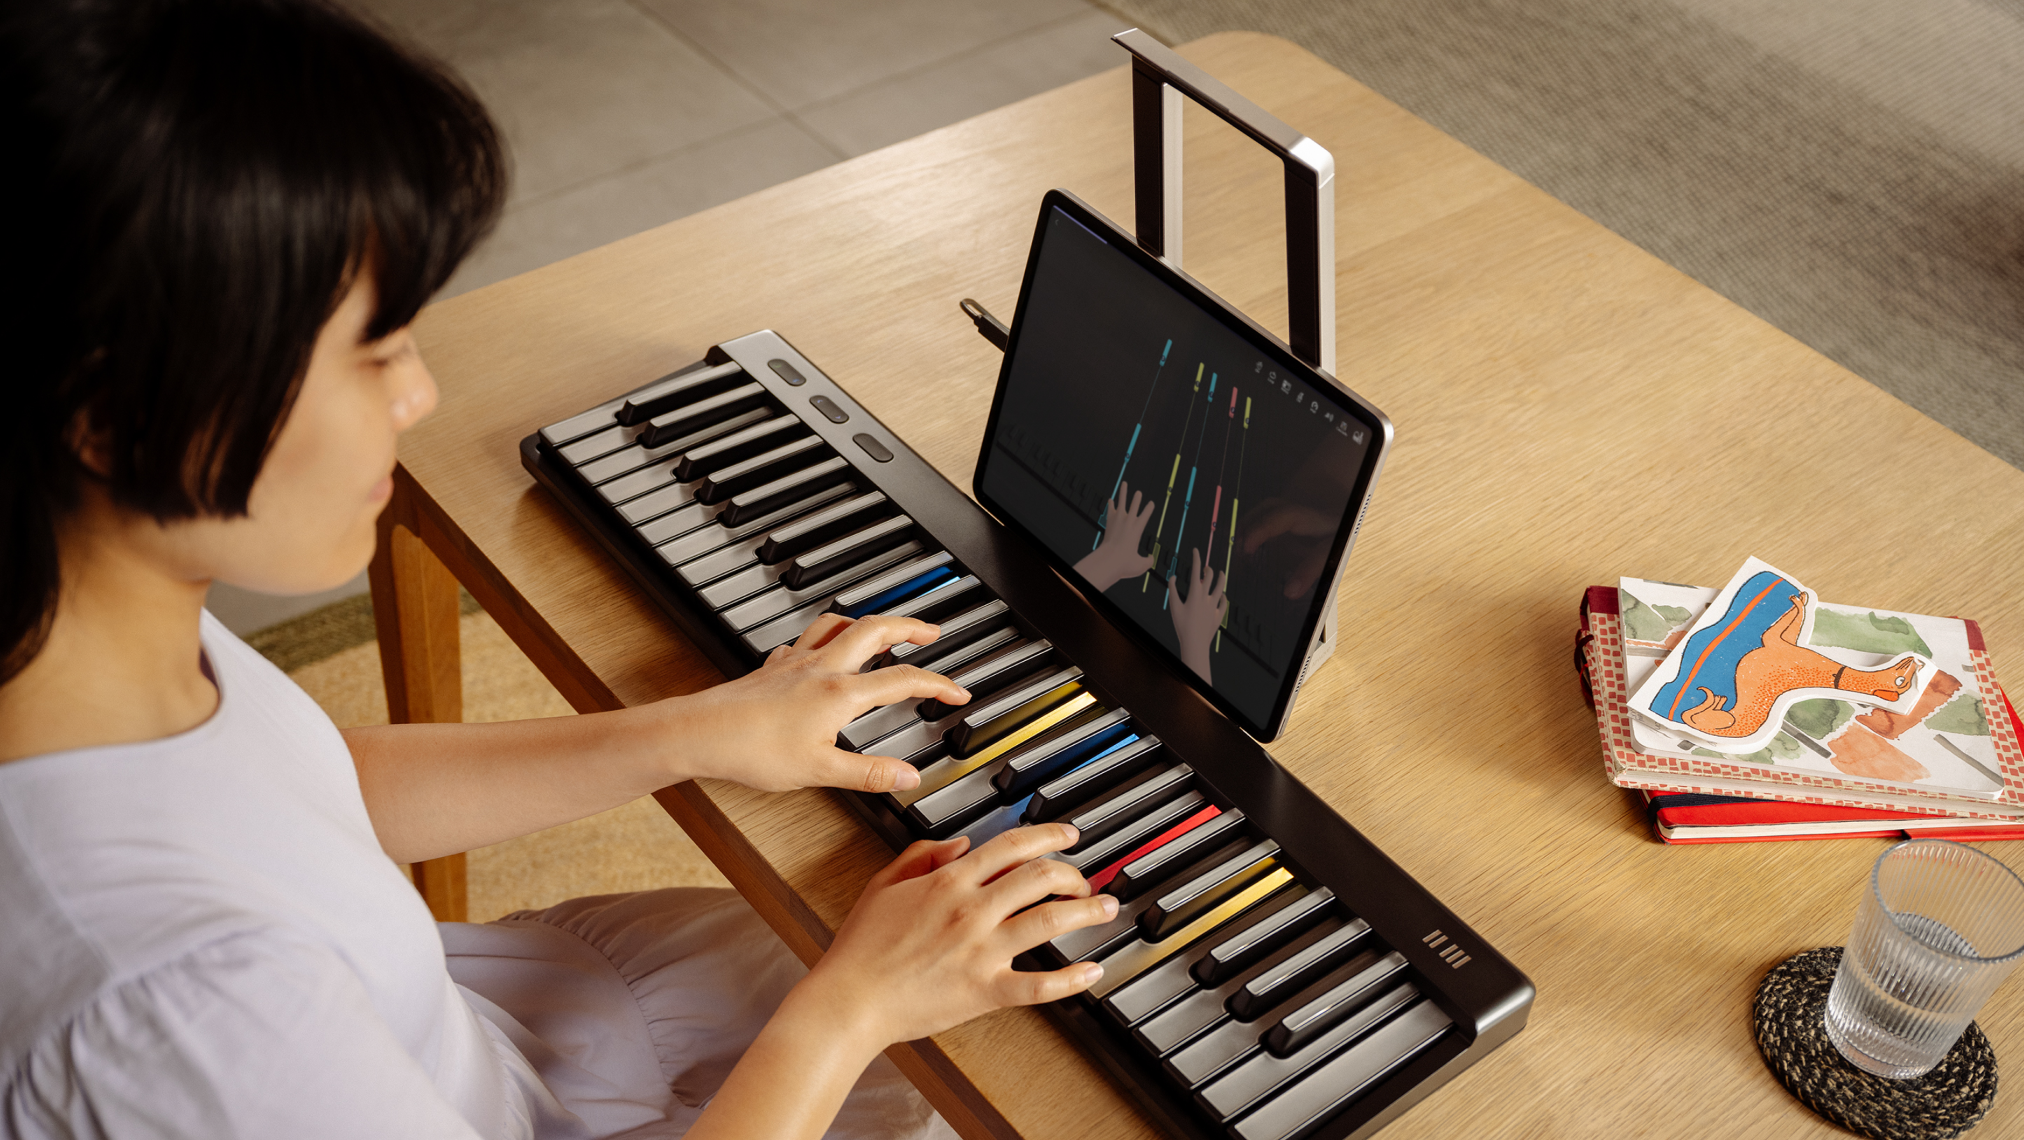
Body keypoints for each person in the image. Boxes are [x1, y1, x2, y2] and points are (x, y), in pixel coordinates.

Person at [0, 1, 1116, 1136]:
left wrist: (696, 727)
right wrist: (850, 1009)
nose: (416, 396)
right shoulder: (185, 1012)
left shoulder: (80, 619)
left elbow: (302, 789)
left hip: (477, 1036)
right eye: (369, 354)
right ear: (108, 414)